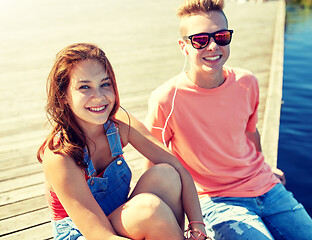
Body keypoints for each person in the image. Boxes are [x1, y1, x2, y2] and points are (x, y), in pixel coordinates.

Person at [145, 0, 312, 239]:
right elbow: (155, 160)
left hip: (266, 186)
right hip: (217, 200)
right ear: (183, 46)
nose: (213, 46)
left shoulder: (247, 82)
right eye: (200, 40)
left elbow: (251, 133)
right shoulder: (166, 98)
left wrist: (265, 165)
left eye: (221, 36)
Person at [37, 43, 209, 240]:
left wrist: (197, 227)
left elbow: (178, 168)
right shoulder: (60, 155)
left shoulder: (119, 124)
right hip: (85, 234)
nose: (99, 97)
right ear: (63, 95)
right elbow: (101, 235)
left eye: (105, 84)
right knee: (149, 210)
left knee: (167, 175)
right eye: (85, 87)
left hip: (116, 219)